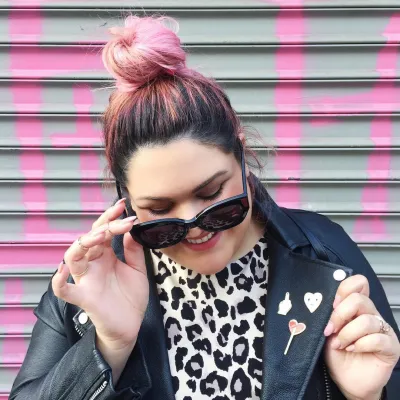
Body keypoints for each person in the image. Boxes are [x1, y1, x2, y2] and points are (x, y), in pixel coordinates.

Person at [10, 15, 400, 400]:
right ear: (126, 199)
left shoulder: (324, 253)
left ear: (241, 156)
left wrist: (366, 396)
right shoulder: (91, 282)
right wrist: (109, 347)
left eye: (212, 193)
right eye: (160, 209)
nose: (193, 224)